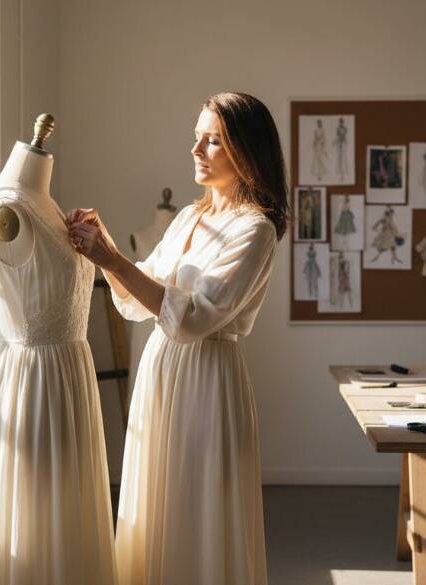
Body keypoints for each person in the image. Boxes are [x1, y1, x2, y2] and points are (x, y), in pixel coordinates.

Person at [66, 92, 287, 585]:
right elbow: (141, 291)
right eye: (196, 138)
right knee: (153, 504)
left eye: (213, 141)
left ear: (247, 152)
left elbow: (192, 318)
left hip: (208, 380)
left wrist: (111, 260)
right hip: (162, 371)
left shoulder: (256, 231)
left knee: (196, 511)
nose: (196, 150)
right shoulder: (189, 217)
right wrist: (106, 248)